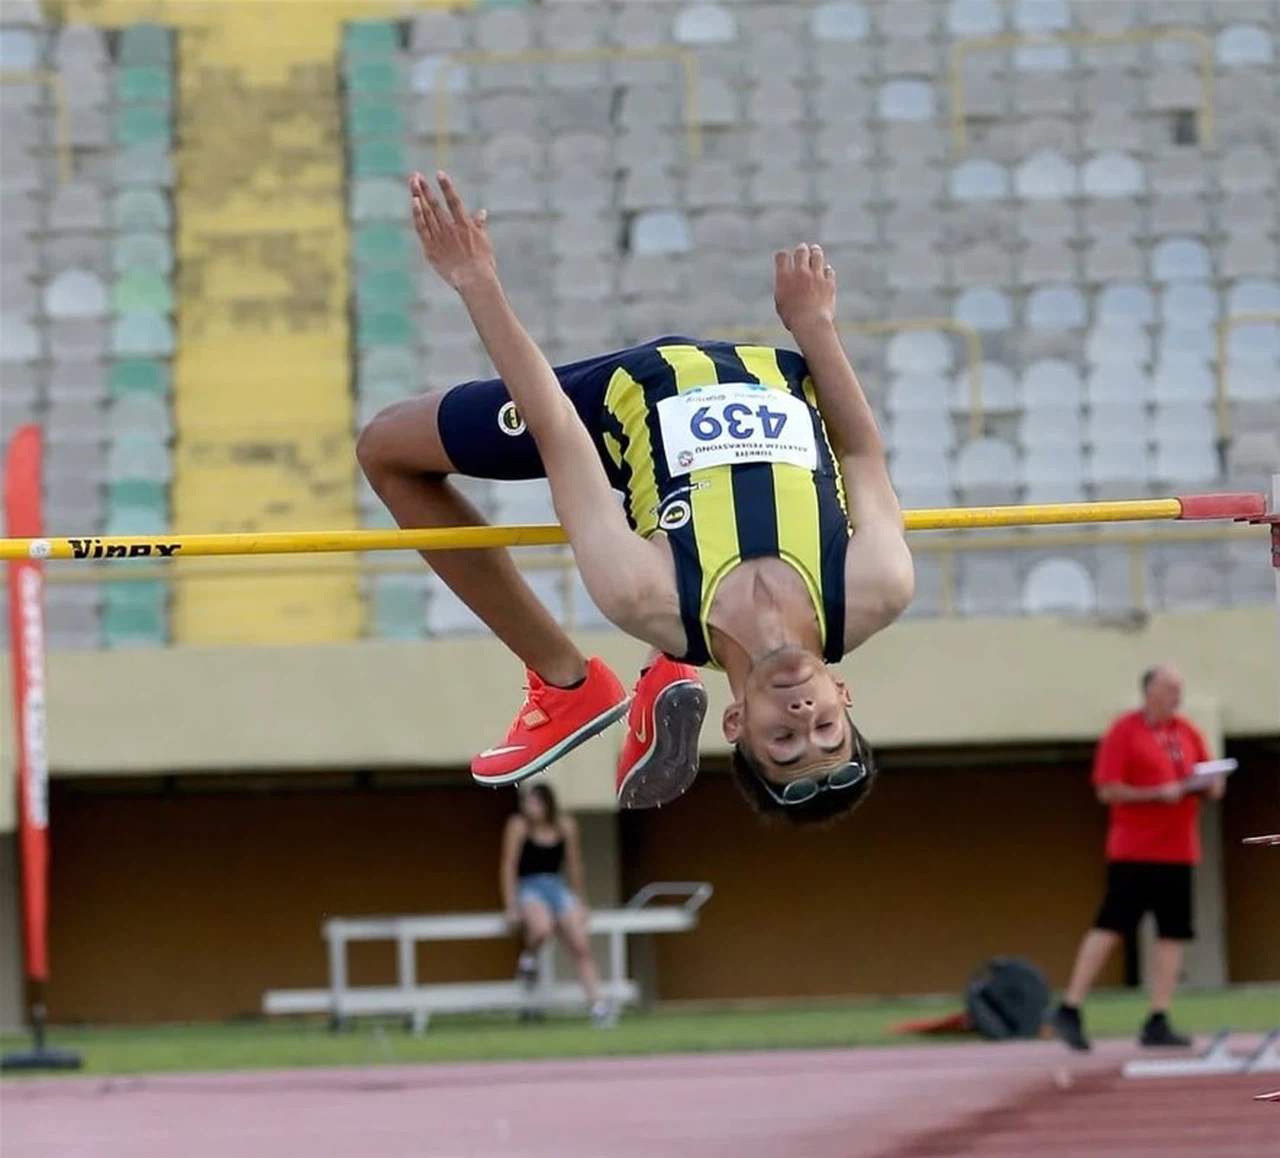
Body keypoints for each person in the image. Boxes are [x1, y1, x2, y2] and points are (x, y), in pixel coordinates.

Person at [357, 172, 915, 825]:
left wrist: (476, 282)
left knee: (385, 448)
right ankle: (664, 677)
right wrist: (816, 326)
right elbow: (861, 454)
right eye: (828, 729)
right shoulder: (876, 585)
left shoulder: (643, 595)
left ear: (737, 722)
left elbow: (560, 431)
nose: (803, 716)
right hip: (779, 375)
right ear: (842, 696)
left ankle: (567, 681)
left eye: (785, 740)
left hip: (620, 398)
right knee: (693, 597)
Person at [1050, 664, 1227, 1052]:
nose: (1178, 696)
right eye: (1171, 689)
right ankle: (1070, 1006)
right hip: (1135, 849)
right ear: (1151, 692)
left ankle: (1159, 1016)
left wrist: (1211, 784)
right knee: (1112, 924)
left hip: (1180, 849)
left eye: (1180, 689)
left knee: (1174, 932)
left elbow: (1204, 773)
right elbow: (1107, 790)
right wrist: (1154, 794)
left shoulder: (1186, 731)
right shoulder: (1124, 731)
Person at [500, 782, 611, 1026]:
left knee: (581, 945)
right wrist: (510, 905)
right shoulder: (518, 827)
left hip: (557, 887)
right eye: (526, 803)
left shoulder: (564, 826)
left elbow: (574, 864)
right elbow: (509, 865)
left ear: (546, 804)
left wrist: (581, 901)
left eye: (534, 803)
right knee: (542, 928)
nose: (530, 808)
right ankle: (528, 957)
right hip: (530, 887)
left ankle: (598, 1004)